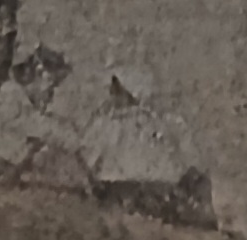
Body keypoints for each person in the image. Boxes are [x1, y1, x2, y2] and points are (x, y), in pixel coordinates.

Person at [82, 64, 215, 230]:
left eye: (117, 90)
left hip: (155, 191)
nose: (113, 94)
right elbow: (90, 158)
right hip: (120, 190)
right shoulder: (108, 119)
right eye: (114, 90)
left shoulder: (158, 121)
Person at [0, 46, 95, 192]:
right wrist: (71, 140)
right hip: (3, 166)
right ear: (39, 76)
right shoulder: (12, 95)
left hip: (9, 163)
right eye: (51, 84)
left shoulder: (17, 95)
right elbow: (38, 127)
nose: (51, 92)